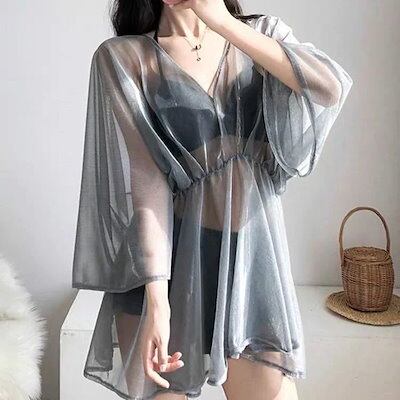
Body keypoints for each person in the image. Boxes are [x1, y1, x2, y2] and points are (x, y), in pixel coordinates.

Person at [71, 0, 353, 399]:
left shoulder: (262, 34)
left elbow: (329, 88)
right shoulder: (125, 57)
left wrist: (221, 21)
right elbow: (147, 186)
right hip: (164, 271)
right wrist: (158, 302)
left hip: (249, 268)